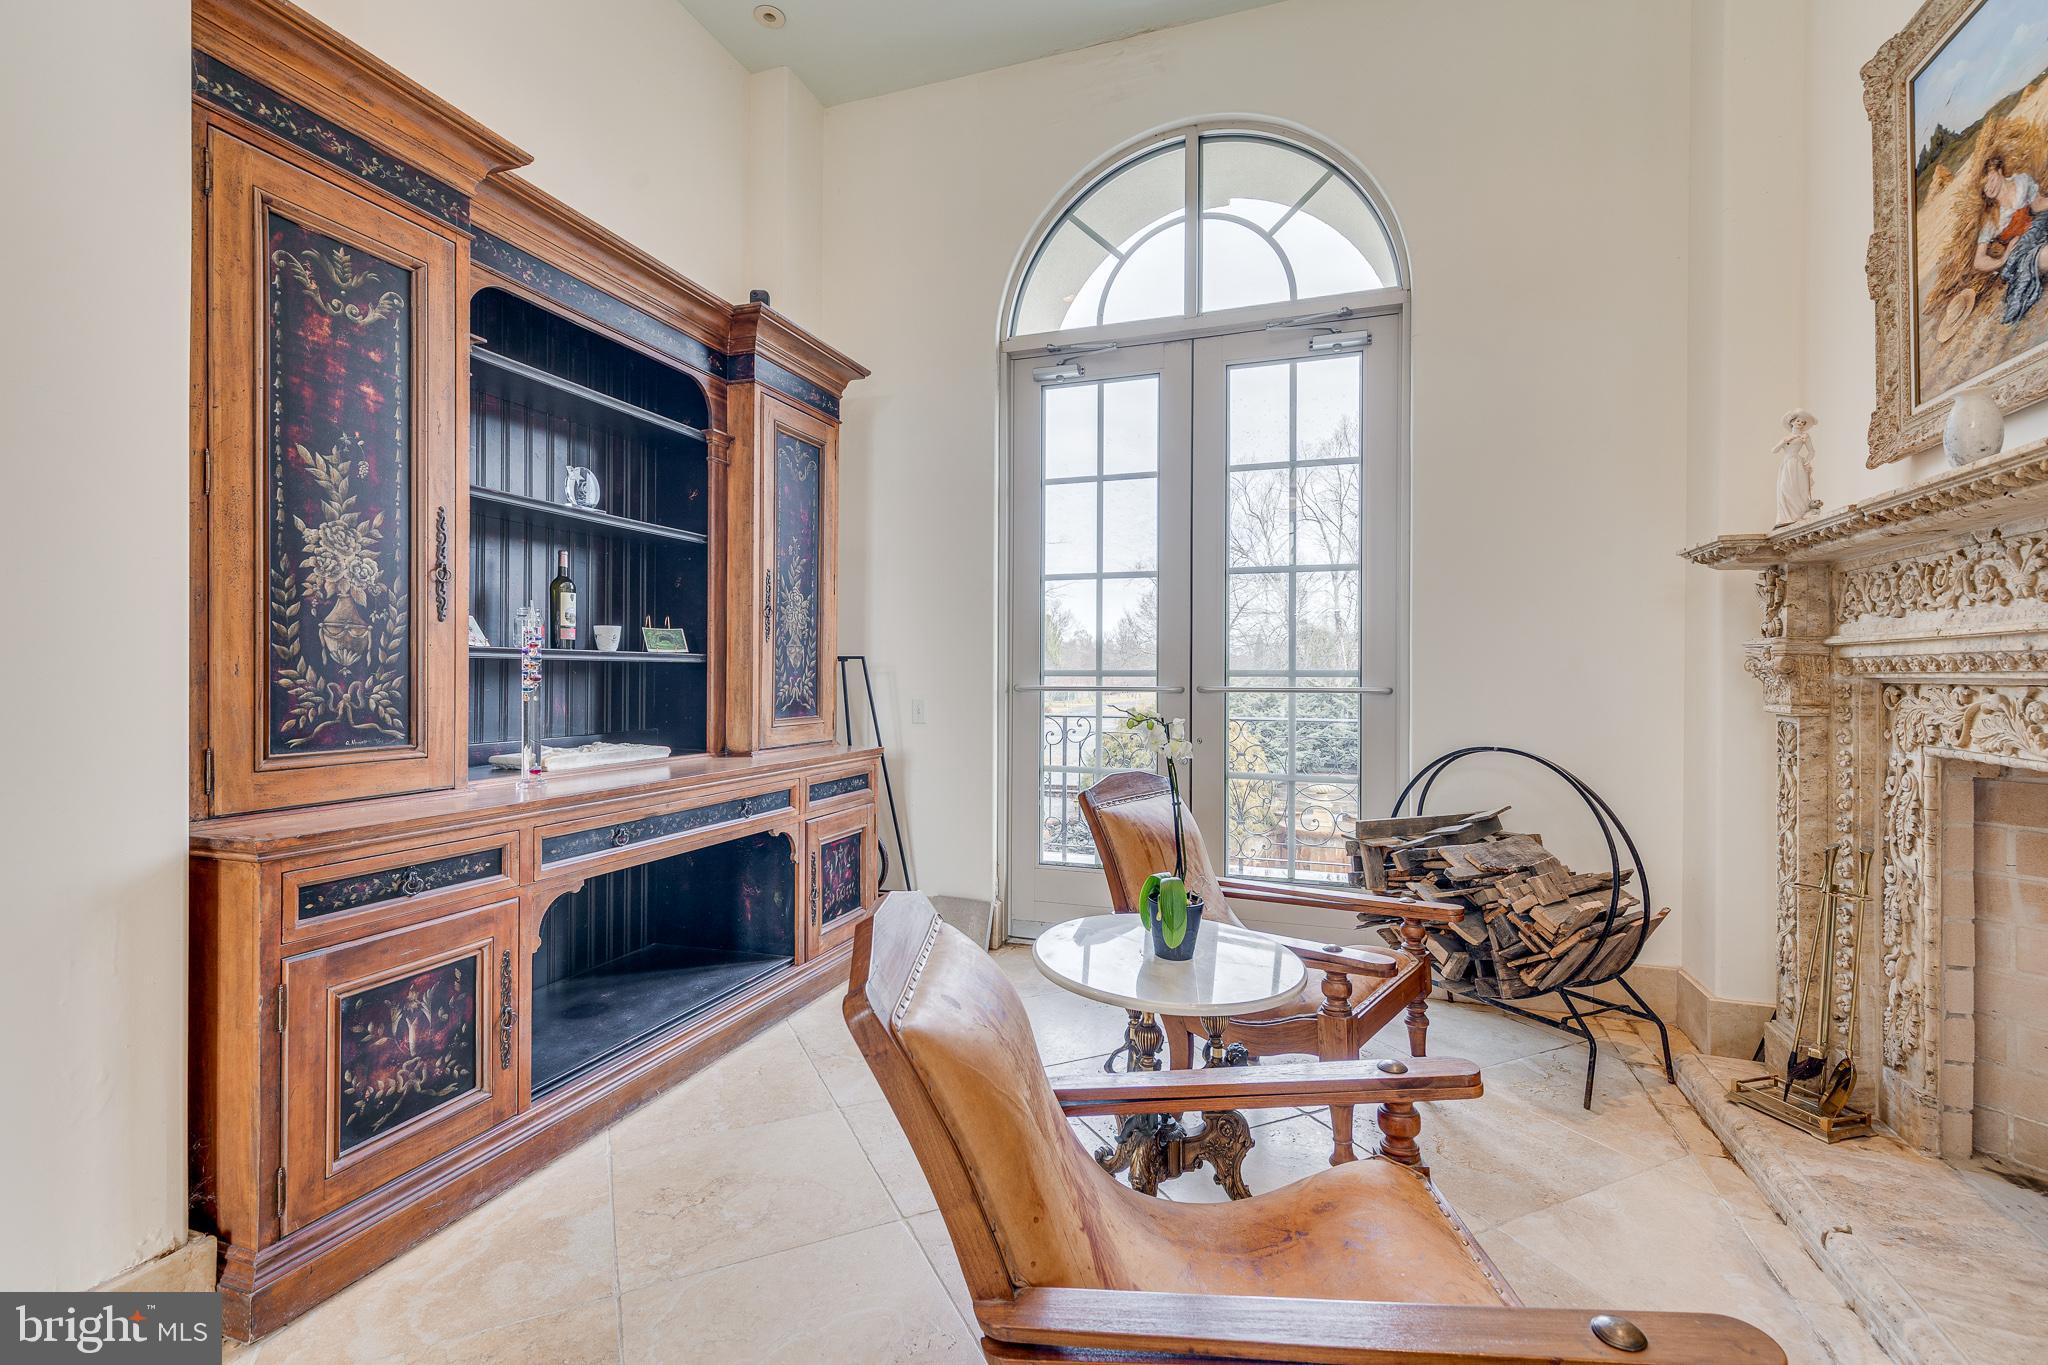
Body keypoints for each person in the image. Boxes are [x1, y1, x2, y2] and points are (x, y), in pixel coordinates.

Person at [1972, 153, 2048, 324]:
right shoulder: (1991, 218)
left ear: (1998, 170)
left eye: (1990, 179)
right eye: (1984, 186)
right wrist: (2002, 260)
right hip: (2021, 252)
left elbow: (2038, 205)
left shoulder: (2022, 181)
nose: (1989, 188)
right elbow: (1978, 261)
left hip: (2041, 229)